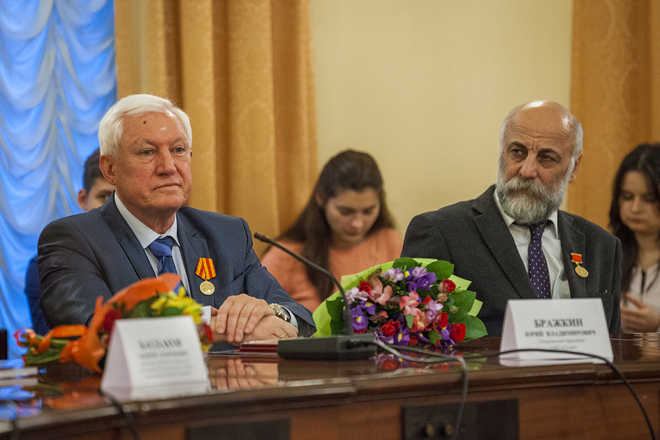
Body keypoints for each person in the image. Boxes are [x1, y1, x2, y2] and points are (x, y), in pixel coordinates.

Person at [38, 94, 314, 346]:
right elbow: (95, 332)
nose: (168, 167)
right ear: (110, 169)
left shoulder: (227, 234)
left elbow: (303, 320)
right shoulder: (73, 240)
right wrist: (219, 328)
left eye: (178, 150)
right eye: (147, 152)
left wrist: (270, 312)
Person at [402, 101, 621, 336]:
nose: (526, 170)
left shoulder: (602, 246)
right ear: (502, 152)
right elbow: (416, 340)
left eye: (546, 158)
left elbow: (613, 345)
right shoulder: (440, 232)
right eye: (517, 152)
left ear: (574, 167)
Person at [261, 150, 402, 312]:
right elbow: (257, 313)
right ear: (321, 198)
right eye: (345, 211)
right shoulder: (286, 254)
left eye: (368, 211)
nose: (357, 223)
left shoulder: (388, 240)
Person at [25, 149, 114, 335]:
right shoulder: (46, 265)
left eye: (119, 200)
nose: (112, 208)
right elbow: (60, 343)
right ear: (82, 199)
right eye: (104, 197)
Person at [610, 143, 660, 332]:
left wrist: (657, 324)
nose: (635, 208)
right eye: (627, 196)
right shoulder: (606, 255)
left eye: (649, 199)